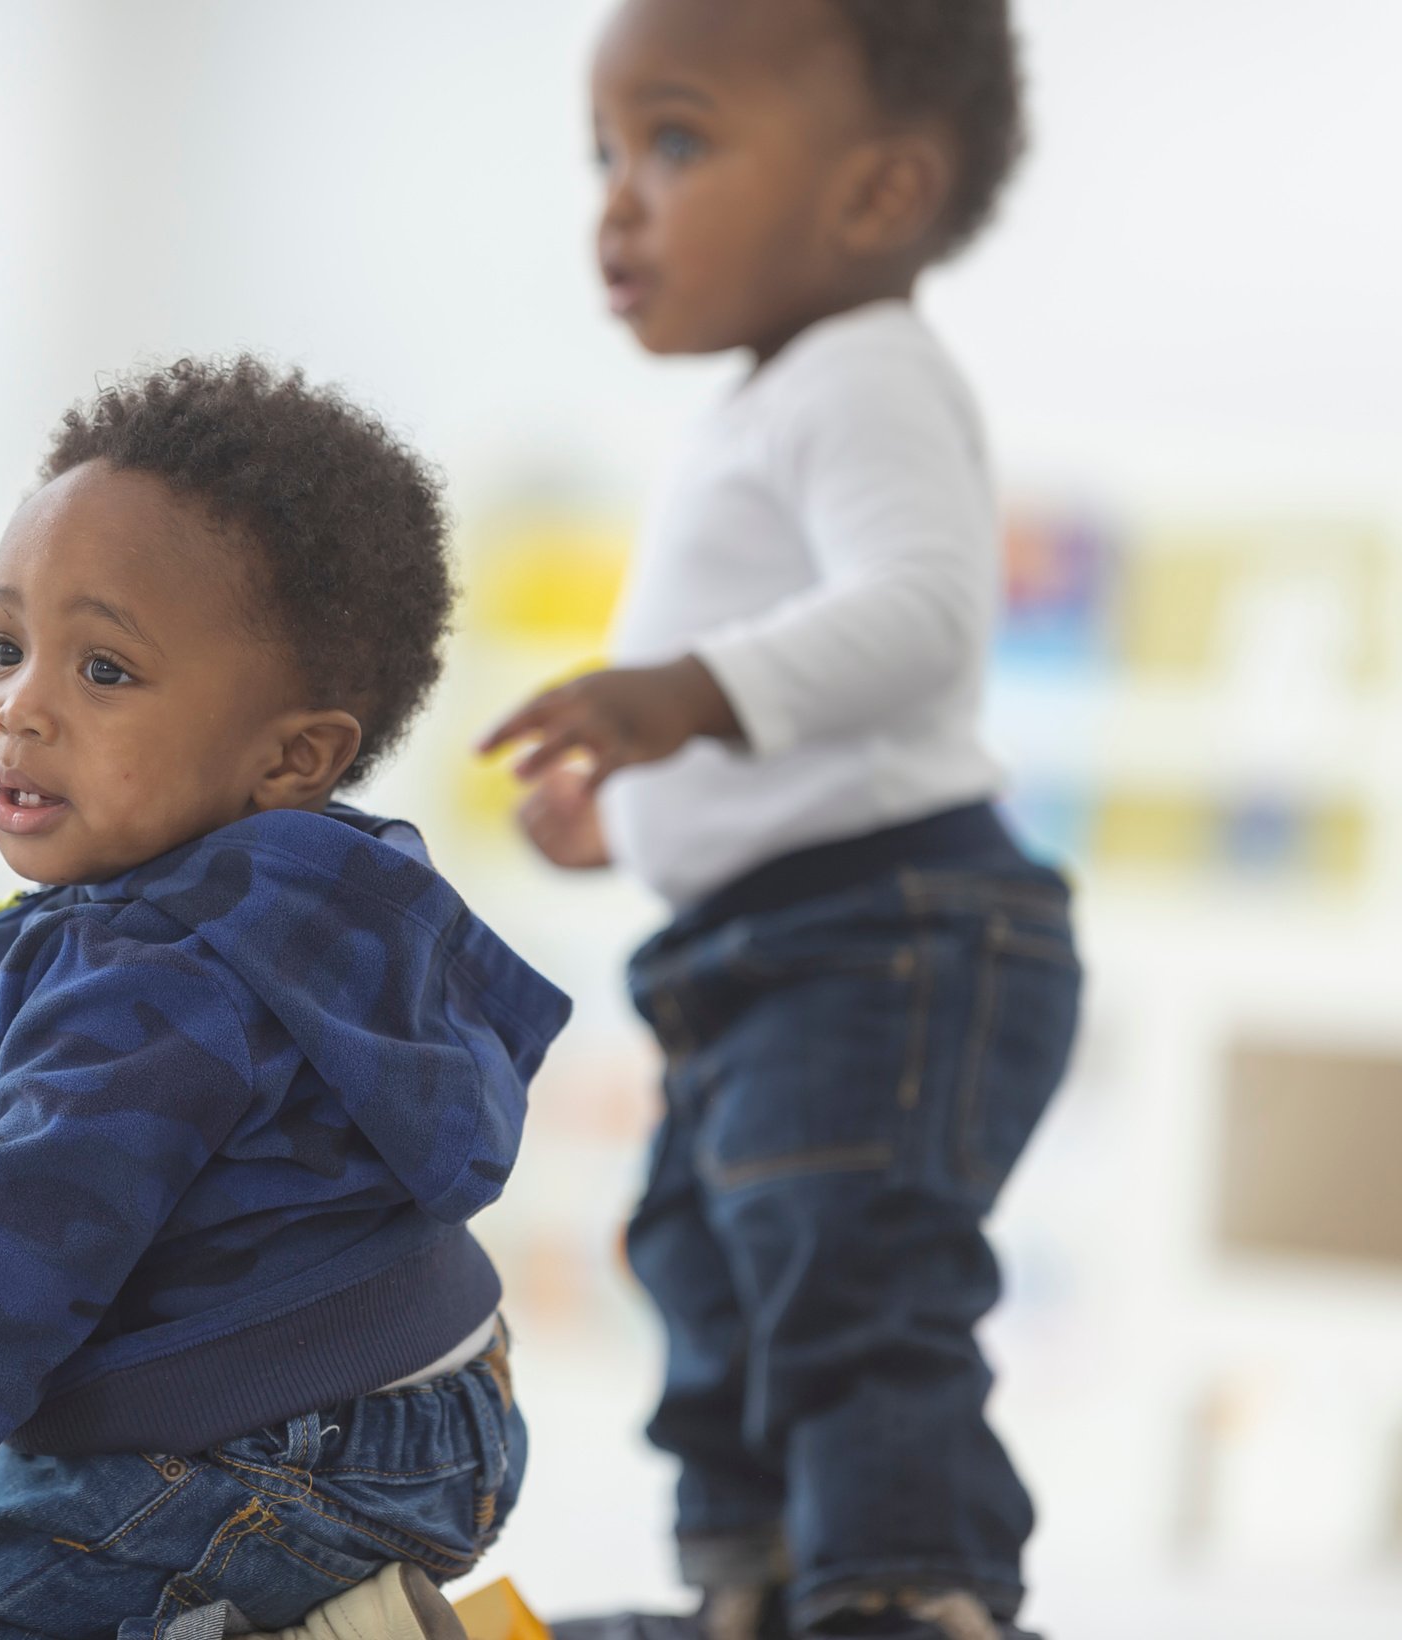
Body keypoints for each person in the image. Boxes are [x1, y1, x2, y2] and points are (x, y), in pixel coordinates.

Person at [0, 358, 572, 1640]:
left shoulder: (149, 971)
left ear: (292, 753)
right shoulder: (307, 908)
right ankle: (326, 1616)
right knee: (24, 1515)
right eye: (5, 646)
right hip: (438, 1401)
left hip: (284, 1437)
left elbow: (1, 1261)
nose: (20, 707)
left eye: (103, 670)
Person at [479, 4, 1078, 1638]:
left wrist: (671, 701)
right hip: (780, 940)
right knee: (703, 1259)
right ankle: (749, 1581)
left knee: (844, 1271)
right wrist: (637, 810)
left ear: (875, 193)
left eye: (672, 145)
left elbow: (920, 620)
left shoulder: (860, 373)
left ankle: (900, 1589)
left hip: (885, 930)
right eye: (601, 153)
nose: (615, 199)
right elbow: (797, 709)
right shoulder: (764, 399)